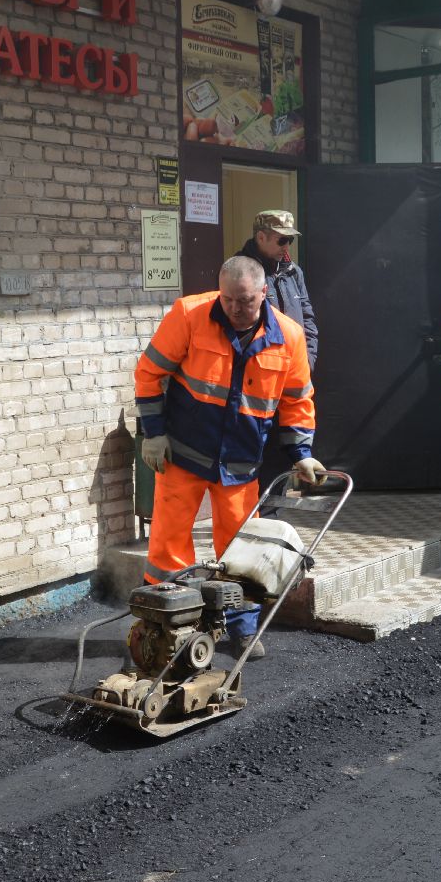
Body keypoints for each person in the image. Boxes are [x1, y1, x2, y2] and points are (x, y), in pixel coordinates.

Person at [135, 256, 324, 657]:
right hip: (183, 452)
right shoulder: (189, 315)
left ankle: (241, 630)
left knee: (242, 549)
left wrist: (301, 453)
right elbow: (149, 373)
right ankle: (165, 628)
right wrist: (154, 434)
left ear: (264, 293)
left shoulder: (288, 337)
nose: (236, 309)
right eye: (228, 300)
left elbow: (296, 399)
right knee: (168, 546)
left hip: (240, 460)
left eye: (246, 301)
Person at [238, 209, 317, 369]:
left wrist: (308, 359)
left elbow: (307, 318)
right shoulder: (239, 271)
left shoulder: (294, 271)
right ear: (261, 237)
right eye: (282, 240)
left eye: (290, 240)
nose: (286, 247)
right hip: (260, 370)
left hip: (296, 366)